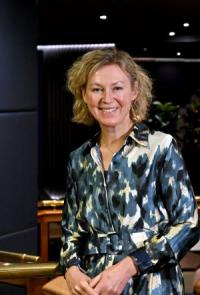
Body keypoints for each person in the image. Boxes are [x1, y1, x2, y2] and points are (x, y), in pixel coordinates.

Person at [59, 48, 199, 295]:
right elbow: (71, 231)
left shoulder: (161, 147)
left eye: (117, 88)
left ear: (134, 91)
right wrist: (71, 269)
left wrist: (128, 267)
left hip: (153, 285)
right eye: (97, 89)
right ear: (84, 94)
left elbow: (188, 225)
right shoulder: (78, 159)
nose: (107, 98)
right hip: (95, 287)